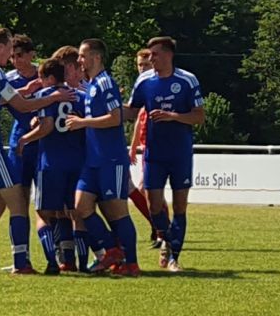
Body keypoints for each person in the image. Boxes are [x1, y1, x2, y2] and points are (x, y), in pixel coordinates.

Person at [0, 27, 73, 275]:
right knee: (19, 204)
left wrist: (23, 92)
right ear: (0, 48)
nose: (10, 57)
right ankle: (21, 264)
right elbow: (21, 107)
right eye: (9, 51)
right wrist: (53, 98)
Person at [127, 35, 204, 273]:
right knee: (153, 205)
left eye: (155, 54)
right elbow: (130, 111)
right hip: (154, 153)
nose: (151, 59)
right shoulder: (144, 81)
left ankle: (173, 257)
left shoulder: (187, 80)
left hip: (179, 153)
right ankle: (169, 239)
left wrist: (174, 117)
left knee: (180, 206)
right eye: (149, 55)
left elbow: (199, 117)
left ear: (169, 55)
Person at [66, 38, 141, 277]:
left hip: (110, 159)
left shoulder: (106, 83)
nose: (79, 60)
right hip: (93, 161)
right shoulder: (93, 84)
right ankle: (111, 249)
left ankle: (131, 263)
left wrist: (82, 123)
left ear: (96, 57)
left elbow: (115, 117)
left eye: (82, 55)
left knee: (118, 212)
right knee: (80, 206)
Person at [18, 53, 87, 274]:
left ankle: (51, 263)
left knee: (43, 213)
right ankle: (78, 262)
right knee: (74, 213)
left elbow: (47, 126)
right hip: (77, 161)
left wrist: (25, 139)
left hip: (51, 162)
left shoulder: (45, 95)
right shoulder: (80, 96)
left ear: (48, 78)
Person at [5, 34, 43, 257]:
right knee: (19, 200)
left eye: (20, 55)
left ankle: (60, 253)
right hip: (19, 143)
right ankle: (21, 255)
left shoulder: (46, 73)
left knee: (49, 202)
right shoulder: (8, 80)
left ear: (31, 55)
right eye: (12, 57)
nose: (16, 60)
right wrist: (25, 92)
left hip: (46, 144)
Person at [127, 47, 156, 237]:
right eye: (139, 65)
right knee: (144, 189)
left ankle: (161, 228)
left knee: (147, 189)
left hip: (156, 145)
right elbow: (138, 117)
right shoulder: (141, 85)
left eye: (146, 64)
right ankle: (159, 228)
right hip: (146, 144)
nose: (142, 68)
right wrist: (134, 144)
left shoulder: (154, 84)